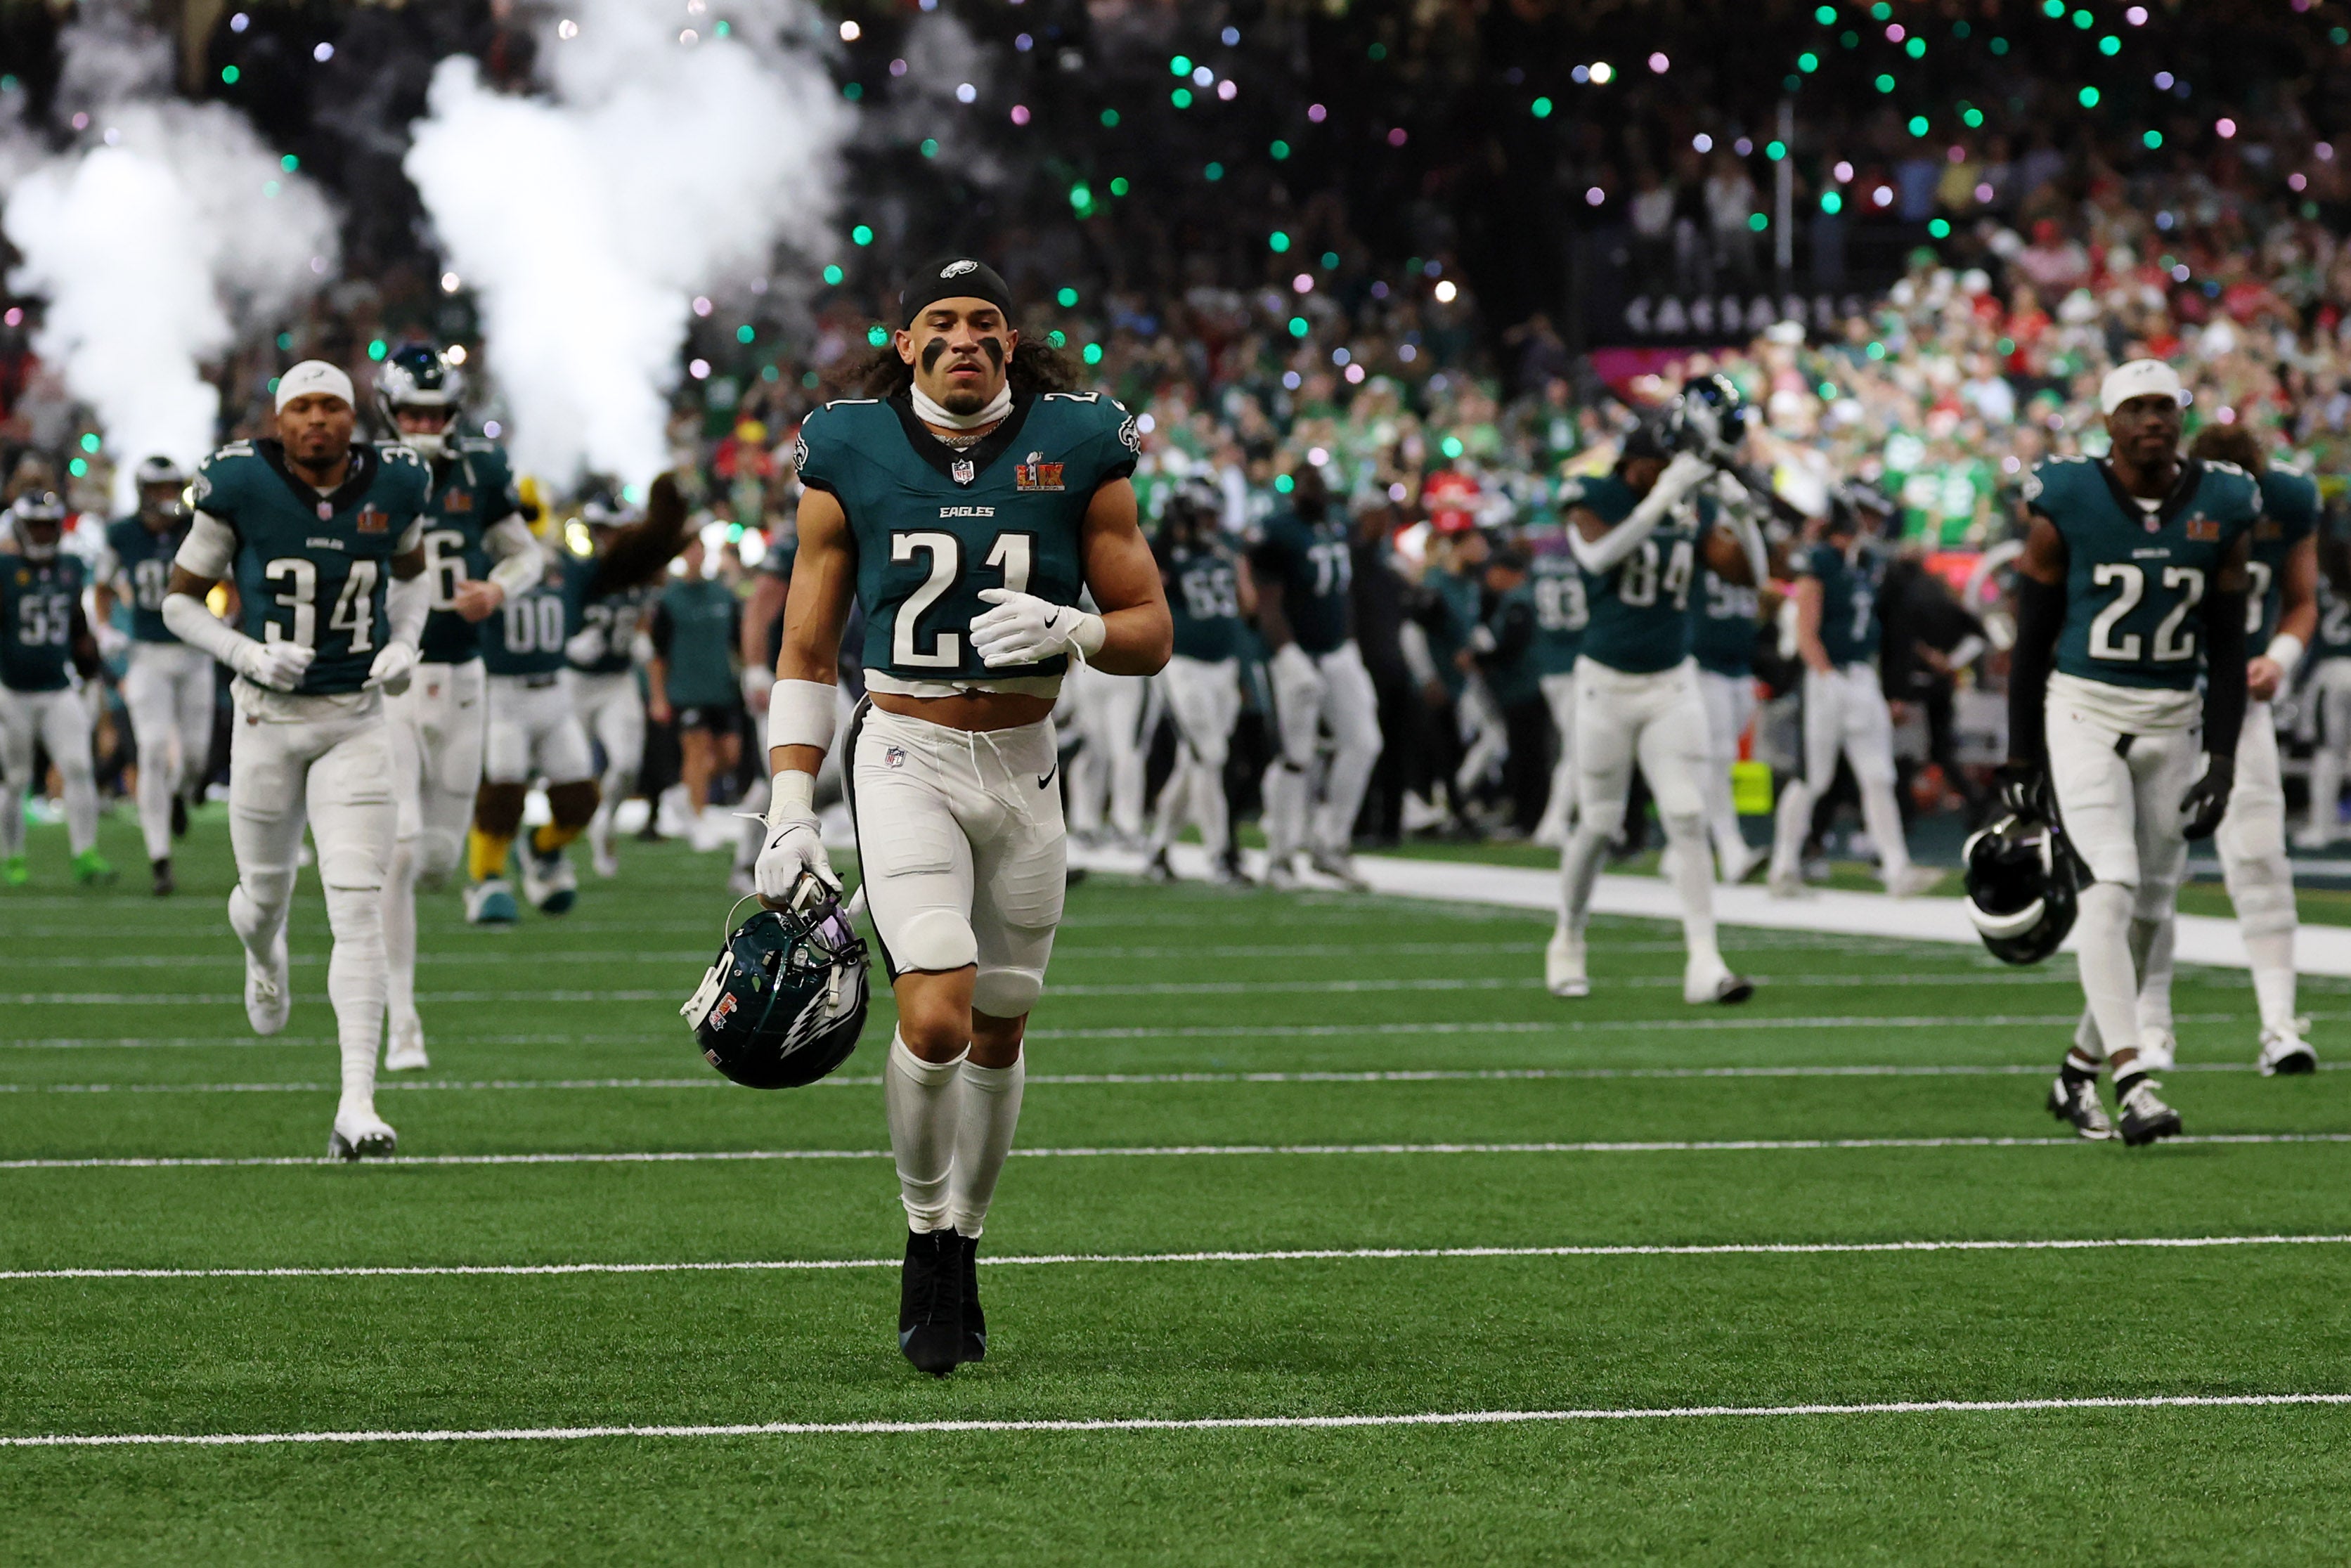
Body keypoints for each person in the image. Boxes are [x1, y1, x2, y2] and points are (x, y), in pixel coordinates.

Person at [755, 257, 1170, 1376]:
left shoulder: (1081, 440)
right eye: (939, 322)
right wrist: (791, 801)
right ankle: (923, 1225)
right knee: (932, 1004)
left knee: (1001, 1020)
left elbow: (1148, 626)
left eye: (984, 321)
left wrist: (1072, 630)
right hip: (904, 746)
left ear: (1011, 340)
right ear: (905, 345)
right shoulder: (849, 442)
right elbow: (805, 644)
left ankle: (967, 1242)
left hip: (1026, 761)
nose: (963, 338)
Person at [160, 361, 432, 1160]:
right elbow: (178, 600)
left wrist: (407, 643)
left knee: (357, 904)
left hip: (356, 717)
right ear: (280, 421)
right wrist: (242, 649)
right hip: (267, 719)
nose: (318, 420)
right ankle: (260, 950)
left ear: (354, 417)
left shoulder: (397, 482)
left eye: (331, 406)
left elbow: (414, 580)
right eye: (302, 407)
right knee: (264, 897)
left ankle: (357, 1103)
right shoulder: (238, 482)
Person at [2007, 361, 2258, 1146]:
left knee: (2151, 909)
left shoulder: (2224, 500)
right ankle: (2134, 1079)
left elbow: (2227, 640)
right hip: (2085, 707)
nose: (2153, 419)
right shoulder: (2068, 498)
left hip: (2175, 716)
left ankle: (2076, 1071)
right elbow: (2031, 636)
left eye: (2165, 406)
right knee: (2110, 886)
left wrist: (2222, 755)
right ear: (2110, 423)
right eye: (2136, 407)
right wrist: (2020, 759)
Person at [1548, 381, 1763, 1005]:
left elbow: (1752, 576)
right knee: (1597, 824)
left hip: (1671, 680)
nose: (1661, 477)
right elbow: (1595, 556)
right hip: (1605, 685)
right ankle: (1567, 936)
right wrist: (1659, 500)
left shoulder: (1680, 503)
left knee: (1688, 814)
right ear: (1631, 464)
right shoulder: (1594, 492)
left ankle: (1704, 961)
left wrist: (1741, 516)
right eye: (1654, 470)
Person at [2116, 426, 2318, 1077]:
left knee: (2259, 854)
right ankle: (2150, 1028)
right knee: (2152, 871)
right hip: (2163, 699)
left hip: (2243, 705)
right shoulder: (2155, 499)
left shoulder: (2286, 499)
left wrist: (2278, 659)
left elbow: (2301, 603)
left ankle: (2279, 1024)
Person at [374, 343, 541, 1068]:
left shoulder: (481, 469)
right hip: (393, 677)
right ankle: (402, 1018)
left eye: (434, 412)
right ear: (389, 409)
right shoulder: (367, 474)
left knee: (439, 859)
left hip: (466, 677)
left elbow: (526, 553)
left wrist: (499, 589)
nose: (422, 423)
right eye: (411, 410)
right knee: (402, 849)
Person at [467, 477, 690, 921]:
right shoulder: (481, 563)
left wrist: (664, 525)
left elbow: (621, 567)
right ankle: (485, 878)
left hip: (553, 692)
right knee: (504, 789)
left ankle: (542, 850)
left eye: (528, 516)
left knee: (580, 797)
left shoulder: (564, 566)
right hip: (505, 694)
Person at [1767, 493, 1943, 898]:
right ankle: (1783, 867)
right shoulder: (1821, 562)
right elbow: (1806, 629)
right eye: (1865, 516)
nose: (1871, 524)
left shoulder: (1868, 563)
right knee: (1814, 777)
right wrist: (1826, 675)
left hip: (1863, 676)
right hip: (1828, 676)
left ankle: (1897, 870)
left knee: (1879, 775)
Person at [1247, 464, 1382, 886]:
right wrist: (1286, 653)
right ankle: (1281, 857)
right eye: (1308, 484)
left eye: (1320, 483)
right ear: (1293, 491)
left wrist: (1350, 642)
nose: (1317, 491)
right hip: (1296, 653)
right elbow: (1267, 602)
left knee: (1364, 742)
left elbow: (1342, 595)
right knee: (1296, 756)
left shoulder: (1336, 525)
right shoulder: (1277, 531)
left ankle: (1331, 842)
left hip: (1338, 651)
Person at [94, 457, 207, 894]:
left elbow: (229, 583)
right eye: (156, 489)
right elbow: (102, 588)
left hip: (195, 652)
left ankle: (182, 794)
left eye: (169, 488)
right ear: (143, 492)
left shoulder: (198, 526)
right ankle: (160, 858)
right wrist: (105, 628)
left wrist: (226, 623)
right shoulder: (121, 534)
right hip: (147, 655)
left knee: (195, 756)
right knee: (154, 749)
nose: (164, 498)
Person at [0, 491, 110, 887]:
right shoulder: (5, 568)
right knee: (15, 779)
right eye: (37, 526)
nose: (44, 533)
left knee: (79, 768)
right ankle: (12, 859)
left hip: (58, 687)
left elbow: (78, 626)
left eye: (50, 525)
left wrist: (91, 667)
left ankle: (86, 854)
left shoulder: (70, 567)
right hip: (12, 691)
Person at [1144, 478, 1252, 882]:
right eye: (1204, 514)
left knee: (1196, 761)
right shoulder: (1163, 553)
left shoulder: (1224, 550)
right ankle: (1221, 854)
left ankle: (1158, 849)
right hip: (1183, 666)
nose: (1213, 522)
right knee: (1210, 756)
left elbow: (1246, 604)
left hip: (1223, 666)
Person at [569, 493, 666, 878]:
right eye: (603, 531)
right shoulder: (579, 572)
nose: (609, 539)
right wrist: (570, 645)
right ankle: (546, 849)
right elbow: (557, 617)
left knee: (626, 764)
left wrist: (643, 641)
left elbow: (642, 621)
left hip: (617, 680)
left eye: (615, 531)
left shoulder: (641, 574)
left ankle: (604, 823)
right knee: (569, 772)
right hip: (576, 683)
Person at [1689, 478, 1766, 883]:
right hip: (1704, 664)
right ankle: (1731, 848)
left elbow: (1764, 578)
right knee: (1718, 756)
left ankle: (1681, 845)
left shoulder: (1749, 551)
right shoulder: (1699, 549)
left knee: (1722, 758)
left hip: (1738, 666)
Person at [647, 533, 744, 848]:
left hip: (721, 688)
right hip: (686, 690)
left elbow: (737, 644)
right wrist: (659, 696)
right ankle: (699, 821)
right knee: (697, 749)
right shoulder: (669, 600)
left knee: (730, 755)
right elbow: (657, 655)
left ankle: (685, 793)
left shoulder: (723, 597)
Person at [1525, 496, 1589, 848]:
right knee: (1578, 748)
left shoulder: (1543, 555)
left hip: (1550, 661)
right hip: (1578, 659)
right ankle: (1555, 821)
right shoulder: (1588, 551)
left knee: (1577, 745)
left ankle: (1571, 819)